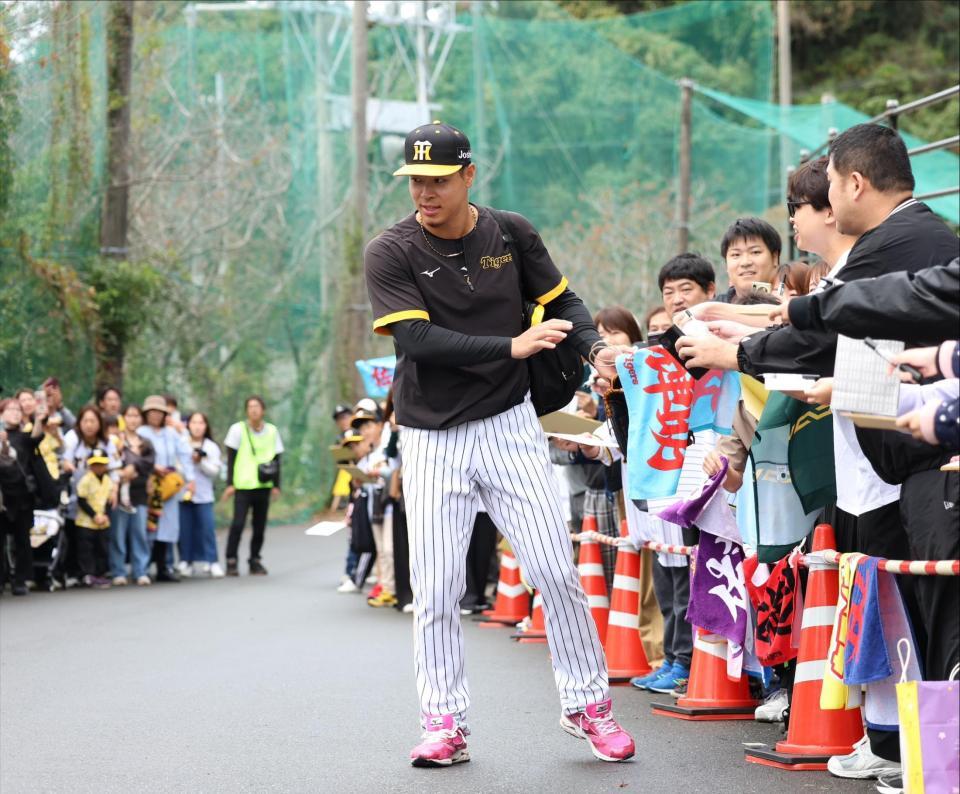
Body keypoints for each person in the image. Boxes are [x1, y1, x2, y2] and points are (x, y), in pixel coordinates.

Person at [364, 121, 634, 766]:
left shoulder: (510, 231)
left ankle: (588, 704)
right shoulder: (390, 250)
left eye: (437, 179)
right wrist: (511, 346)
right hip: (430, 437)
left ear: (468, 175)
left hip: (510, 425)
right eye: (415, 180)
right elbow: (417, 341)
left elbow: (561, 299)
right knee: (434, 589)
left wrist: (595, 347)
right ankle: (443, 723)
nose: (425, 192)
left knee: (553, 571)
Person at [222, 395, 283, 577]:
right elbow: (231, 458)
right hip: (243, 485)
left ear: (263, 410)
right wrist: (230, 483)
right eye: (250, 407)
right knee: (238, 524)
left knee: (260, 525)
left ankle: (255, 560)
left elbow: (277, 459)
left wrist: (276, 485)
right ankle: (231, 559)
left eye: (257, 406)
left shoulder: (272, 431)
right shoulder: (237, 430)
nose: (254, 410)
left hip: (263, 485)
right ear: (246, 411)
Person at [139, 395, 195, 582]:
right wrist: (153, 468)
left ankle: (164, 567)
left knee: (167, 526)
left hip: (169, 486)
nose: (155, 415)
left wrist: (190, 479)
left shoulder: (171, 434)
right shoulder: (141, 432)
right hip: (148, 485)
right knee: (148, 526)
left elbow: (185, 455)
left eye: (159, 412)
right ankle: (143, 568)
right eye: (151, 411)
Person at [62, 405, 120, 587]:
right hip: (75, 493)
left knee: (99, 539)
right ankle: (74, 572)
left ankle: (97, 572)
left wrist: (115, 489)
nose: (89, 425)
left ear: (99, 423)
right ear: (79, 422)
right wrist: (69, 467)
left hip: (100, 496)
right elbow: (64, 460)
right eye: (85, 420)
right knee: (76, 535)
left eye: (93, 421)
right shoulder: (72, 438)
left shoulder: (107, 442)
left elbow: (114, 468)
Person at [0, 398, 45, 596]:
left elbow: (36, 437)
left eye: (18, 409)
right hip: (2, 495)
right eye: (10, 409)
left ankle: (21, 580)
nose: (15, 412)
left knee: (22, 540)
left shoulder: (23, 436)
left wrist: (39, 418)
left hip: (22, 495)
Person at [110, 404, 155, 586]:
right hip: (119, 493)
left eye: (136, 416)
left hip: (140, 493)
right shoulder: (115, 441)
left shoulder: (146, 443)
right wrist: (123, 472)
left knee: (139, 533)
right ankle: (118, 570)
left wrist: (133, 467)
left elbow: (149, 463)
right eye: (129, 416)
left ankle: (140, 570)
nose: (133, 420)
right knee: (118, 534)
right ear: (123, 418)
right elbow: (111, 461)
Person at [178, 412, 224, 578]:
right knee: (185, 530)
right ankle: (186, 561)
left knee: (207, 529)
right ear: (188, 425)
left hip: (204, 495)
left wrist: (201, 462)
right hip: (184, 494)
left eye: (201, 423)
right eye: (194, 422)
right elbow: (177, 467)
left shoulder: (211, 447)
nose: (197, 426)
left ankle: (212, 561)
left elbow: (215, 471)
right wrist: (189, 463)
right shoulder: (182, 444)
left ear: (206, 426)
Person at [75, 447, 114, 589]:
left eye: (101, 464)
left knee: (102, 548)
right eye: (95, 464)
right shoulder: (86, 479)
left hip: (103, 521)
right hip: (86, 521)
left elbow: (110, 501)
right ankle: (87, 574)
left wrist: (105, 516)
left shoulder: (108, 481)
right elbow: (81, 500)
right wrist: (94, 515)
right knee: (86, 549)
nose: (98, 467)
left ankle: (101, 574)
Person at [718, 218, 781, 302]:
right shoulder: (707, 312)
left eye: (755, 252)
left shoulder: (793, 309)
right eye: (736, 254)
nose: (745, 262)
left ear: (774, 258)